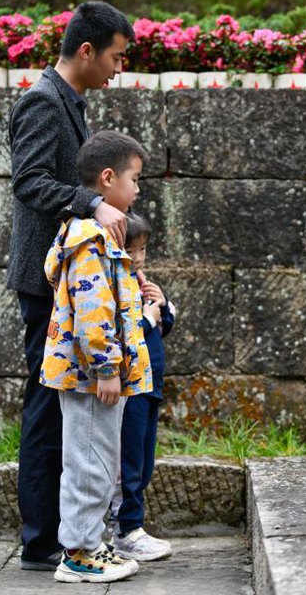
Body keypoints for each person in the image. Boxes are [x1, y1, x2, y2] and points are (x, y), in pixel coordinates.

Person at [6, 1, 133, 572]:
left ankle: (64, 535)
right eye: (116, 56)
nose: (119, 68)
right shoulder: (41, 101)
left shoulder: (70, 102)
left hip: (69, 283)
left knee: (60, 407)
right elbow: (29, 182)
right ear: (87, 51)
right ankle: (41, 542)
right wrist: (93, 202)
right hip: (47, 279)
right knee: (46, 407)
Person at [42, 130, 152, 583]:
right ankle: (79, 554)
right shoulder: (90, 238)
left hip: (98, 377)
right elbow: (93, 310)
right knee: (89, 463)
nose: (139, 188)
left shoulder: (96, 236)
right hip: (92, 376)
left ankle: (91, 543)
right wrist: (107, 367)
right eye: (135, 178)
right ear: (108, 179)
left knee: (98, 461)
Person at [109, 212, 176, 561]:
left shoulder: (140, 282)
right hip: (131, 387)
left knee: (144, 459)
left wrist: (161, 304)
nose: (137, 258)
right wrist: (148, 317)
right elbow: (127, 332)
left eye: (143, 250)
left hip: (151, 385)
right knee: (128, 461)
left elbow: (164, 325)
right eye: (130, 250)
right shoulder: (116, 284)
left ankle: (131, 526)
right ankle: (125, 528)